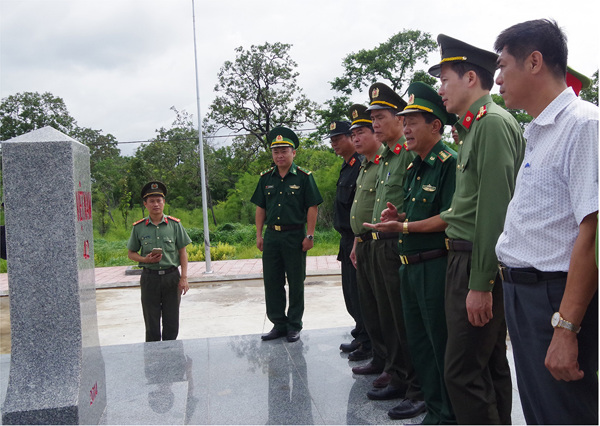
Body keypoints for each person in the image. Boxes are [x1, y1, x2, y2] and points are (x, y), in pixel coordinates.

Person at [494, 19, 598, 425]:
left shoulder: (583, 124)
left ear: (534, 61)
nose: (497, 78)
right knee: (541, 412)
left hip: (554, 298)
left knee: (563, 414)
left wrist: (566, 328)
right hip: (525, 295)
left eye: (504, 66)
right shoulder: (538, 130)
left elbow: (592, 233)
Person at [428, 34, 526, 424]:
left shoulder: (491, 125)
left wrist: (481, 282)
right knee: (487, 367)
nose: (441, 90)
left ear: (471, 78)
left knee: (463, 371)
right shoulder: (472, 129)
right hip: (467, 259)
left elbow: (494, 210)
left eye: (445, 79)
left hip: (476, 262)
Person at [365, 81, 457, 423]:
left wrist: (402, 228)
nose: (406, 128)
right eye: (403, 122)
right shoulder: (413, 165)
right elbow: (418, 212)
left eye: (412, 122)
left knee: (439, 347)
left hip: (434, 266)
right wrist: (399, 217)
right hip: (409, 266)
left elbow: (450, 218)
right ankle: (433, 412)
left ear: (436, 125)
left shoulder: (448, 163)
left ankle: (447, 414)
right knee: (418, 345)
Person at [353, 82, 424, 417]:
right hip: (379, 245)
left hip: (401, 245)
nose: (375, 124)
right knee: (388, 317)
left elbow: (420, 206)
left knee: (405, 320)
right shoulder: (385, 159)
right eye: (374, 118)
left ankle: (417, 385)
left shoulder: (409, 155)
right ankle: (398, 374)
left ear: (400, 119)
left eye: (381, 117)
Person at [251, 126, 323, 343]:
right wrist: (259, 234)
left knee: (295, 281)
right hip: (272, 236)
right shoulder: (266, 178)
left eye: (284, 151)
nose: (280, 155)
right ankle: (278, 324)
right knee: (272, 281)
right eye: (276, 151)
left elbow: (312, 206)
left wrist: (309, 236)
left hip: (295, 236)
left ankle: (294, 325)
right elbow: (260, 208)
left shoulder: (303, 177)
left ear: (294, 153)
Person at [325, 120, 369, 359]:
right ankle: (360, 332)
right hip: (345, 238)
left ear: (352, 139)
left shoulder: (361, 165)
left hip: (357, 238)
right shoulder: (347, 166)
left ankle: (367, 340)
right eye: (332, 140)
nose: (334, 143)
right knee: (350, 292)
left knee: (361, 293)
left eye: (338, 138)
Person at [127, 181, 192, 342]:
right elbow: (131, 253)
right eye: (152, 201)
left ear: (164, 203)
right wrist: (145, 260)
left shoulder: (175, 225)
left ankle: (172, 358)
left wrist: (184, 277)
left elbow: (183, 252)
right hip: (150, 278)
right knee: (151, 323)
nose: (156, 204)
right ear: (145, 204)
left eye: (159, 201)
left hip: (171, 278)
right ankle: (153, 360)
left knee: (172, 322)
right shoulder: (139, 227)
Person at [347, 103, 382, 364]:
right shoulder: (365, 166)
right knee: (369, 307)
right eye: (353, 134)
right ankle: (380, 358)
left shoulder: (384, 163)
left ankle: (388, 363)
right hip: (363, 242)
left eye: (361, 132)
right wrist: (356, 241)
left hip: (381, 243)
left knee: (384, 310)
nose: (355, 139)